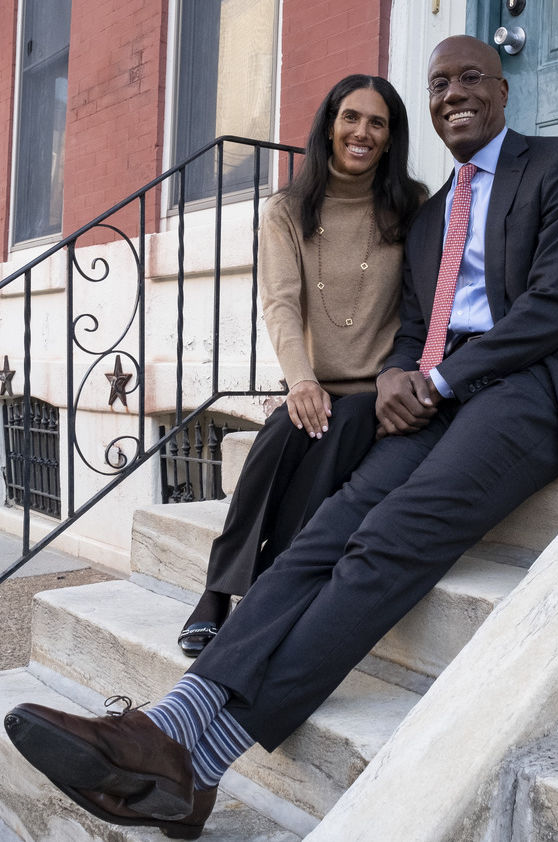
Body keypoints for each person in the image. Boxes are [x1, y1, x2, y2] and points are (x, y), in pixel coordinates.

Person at [3, 35, 558, 839]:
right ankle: (173, 725)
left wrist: (434, 379)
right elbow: (415, 326)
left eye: (470, 78)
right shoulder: (433, 213)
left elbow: (557, 304)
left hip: (532, 387)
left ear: (505, 91)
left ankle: (196, 765)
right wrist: (400, 378)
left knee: (389, 540)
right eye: (439, 84)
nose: (453, 95)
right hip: (442, 391)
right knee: (323, 532)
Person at [178, 74, 427, 658]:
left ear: (390, 139)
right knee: (279, 434)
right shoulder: (288, 210)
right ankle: (219, 589)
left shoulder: (412, 205)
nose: (362, 132)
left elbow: (425, 304)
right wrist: (302, 381)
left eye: (377, 122)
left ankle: (263, 587)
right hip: (315, 383)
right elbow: (281, 304)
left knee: (334, 433)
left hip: (379, 388)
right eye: (351, 118)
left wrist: (403, 372)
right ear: (329, 125)